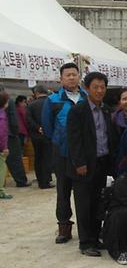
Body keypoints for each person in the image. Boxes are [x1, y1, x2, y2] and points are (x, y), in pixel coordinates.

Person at [67, 72, 117, 257]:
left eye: (103, 87)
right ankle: (85, 242)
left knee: (98, 202)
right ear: (87, 88)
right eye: (95, 87)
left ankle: (95, 238)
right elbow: (74, 139)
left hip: (102, 163)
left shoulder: (106, 110)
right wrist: (79, 162)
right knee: (84, 204)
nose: (99, 90)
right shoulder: (78, 110)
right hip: (84, 166)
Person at [42, 62, 87, 244]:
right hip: (62, 154)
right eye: (67, 75)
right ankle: (64, 227)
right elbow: (47, 127)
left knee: (85, 191)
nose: (71, 77)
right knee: (63, 190)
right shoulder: (53, 100)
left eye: (74, 74)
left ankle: (88, 226)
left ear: (79, 77)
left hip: (84, 154)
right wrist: (61, 141)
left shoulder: (86, 97)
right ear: (61, 79)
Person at [26, 85, 54, 189]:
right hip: (49, 135)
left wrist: (38, 128)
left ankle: (40, 181)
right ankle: (47, 181)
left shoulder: (31, 105)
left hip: (36, 136)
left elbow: (28, 120)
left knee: (38, 158)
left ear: (36, 93)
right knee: (47, 157)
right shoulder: (51, 103)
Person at [2, 87, 29, 188]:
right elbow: (13, 118)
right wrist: (15, 132)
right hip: (9, 133)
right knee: (15, 158)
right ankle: (21, 180)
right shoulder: (8, 100)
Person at [0, 92, 12, 199]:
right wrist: (4, 147)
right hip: (0, 148)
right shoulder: (2, 115)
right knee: (1, 169)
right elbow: (2, 133)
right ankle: (1, 191)